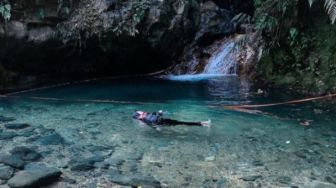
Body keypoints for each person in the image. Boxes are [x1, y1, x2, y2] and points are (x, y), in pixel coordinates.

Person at [132, 110, 211, 128]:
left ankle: (202, 124)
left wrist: (160, 112)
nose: (143, 112)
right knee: (182, 123)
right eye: (141, 113)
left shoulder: (146, 115)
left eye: (142, 112)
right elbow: (151, 124)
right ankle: (202, 123)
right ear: (139, 116)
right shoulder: (144, 119)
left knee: (182, 123)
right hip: (164, 123)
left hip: (165, 121)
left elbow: (155, 114)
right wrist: (157, 129)